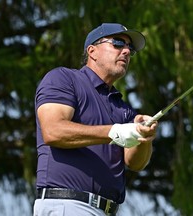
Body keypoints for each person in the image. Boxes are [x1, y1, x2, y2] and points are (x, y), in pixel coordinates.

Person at [33, 23, 158, 216]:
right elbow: (53, 131)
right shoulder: (63, 79)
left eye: (130, 49)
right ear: (92, 51)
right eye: (117, 43)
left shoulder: (122, 107)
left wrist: (144, 135)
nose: (126, 51)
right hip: (68, 204)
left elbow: (135, 163)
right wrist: (114, 132)